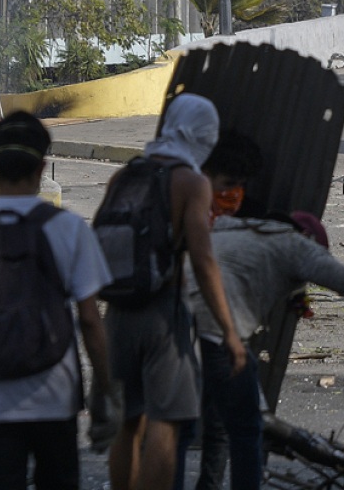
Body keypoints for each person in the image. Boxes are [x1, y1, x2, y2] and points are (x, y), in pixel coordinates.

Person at [0, 111, 112, 490]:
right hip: (56, 397)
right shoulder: (69, 228)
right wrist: (105, 389)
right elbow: (90, 320)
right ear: (41, 167)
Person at [104, 93, 247, 490]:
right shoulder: (192, 182)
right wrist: (229, 331)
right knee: (166, 423)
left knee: (127, 423)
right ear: (204, 136)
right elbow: (202, 259)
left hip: (117, 312)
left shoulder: (125, 175)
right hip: (163, 313)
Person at [189, 210, 344, 490]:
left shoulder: (233, 230)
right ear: (308, 237)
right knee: (249, 427)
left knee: (209, 424)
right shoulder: (294, 244)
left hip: (178, 326)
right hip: (218, 333)